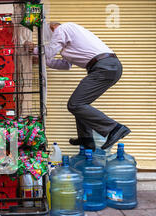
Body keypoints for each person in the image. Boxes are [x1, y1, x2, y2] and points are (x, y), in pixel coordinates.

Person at [29, 22, 131, 151]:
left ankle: (114, 128)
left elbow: (48, 52)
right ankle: (86, 139)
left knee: (75, 104)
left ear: (53, 28)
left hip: (105, 67)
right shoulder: (68, 48)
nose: (52, 39)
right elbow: (65, 65)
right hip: (105, 67)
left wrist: (34, 49)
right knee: (80, 104)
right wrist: (42, 59)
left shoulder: (63, 28)